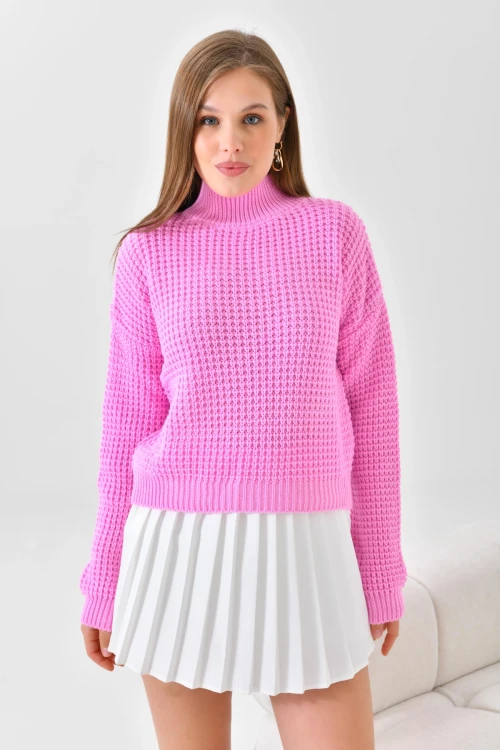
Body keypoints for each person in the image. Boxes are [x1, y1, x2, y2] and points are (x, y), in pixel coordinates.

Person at [79, 28, 407, 750]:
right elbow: (126, 425)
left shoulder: (335, 235)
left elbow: (373, 409)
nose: (230, 142)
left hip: (308, 550)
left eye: (251, 117)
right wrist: (104, 579)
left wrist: (380, 565)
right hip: (175, 548)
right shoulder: (148, 253)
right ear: (185, 129)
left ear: (282, 124)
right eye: (209, 119)